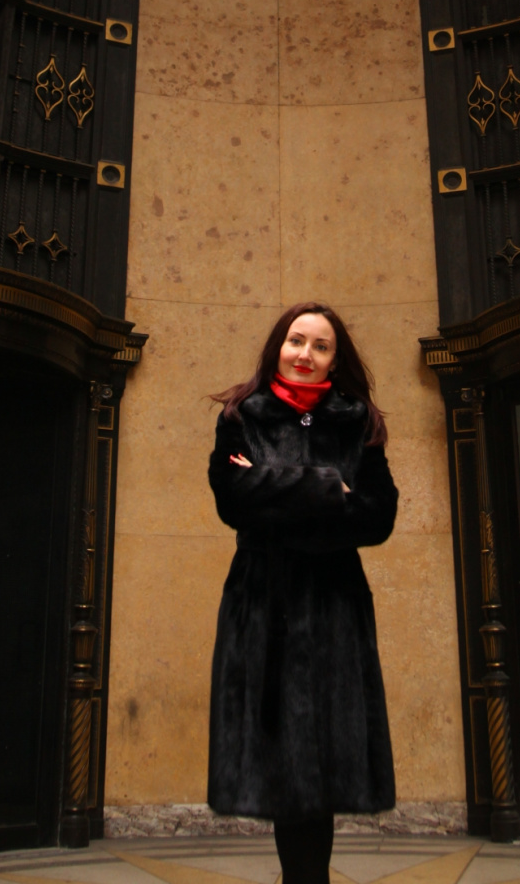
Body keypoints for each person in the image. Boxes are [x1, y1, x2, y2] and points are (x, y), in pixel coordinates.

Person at [207, 302, 398, 884]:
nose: (305, 354)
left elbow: (377, 516)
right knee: (285, 766)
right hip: (265, 607)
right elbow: (232, 499)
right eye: (297, 341)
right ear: (278, 347)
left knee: (321, 772)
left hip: (335, 609)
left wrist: (276, 491)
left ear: (336, 360)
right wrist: (326, 488)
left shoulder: (356, 422)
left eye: (321, 346)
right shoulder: (245, 415)